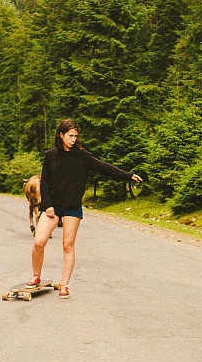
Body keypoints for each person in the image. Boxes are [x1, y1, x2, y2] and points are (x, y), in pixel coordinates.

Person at [28, 119, 143, 298]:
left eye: (75, 136)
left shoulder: (82, 156)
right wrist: (48, 204)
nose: (73, 139)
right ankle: (36, 275)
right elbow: (45, 182)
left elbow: (105, 168)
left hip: (73, 206)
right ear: (61, 135)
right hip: (53, 206)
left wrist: (127, 176)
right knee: (39, 242)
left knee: (68, 245)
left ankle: (64, 285)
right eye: (70, 136)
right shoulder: (51, 155)